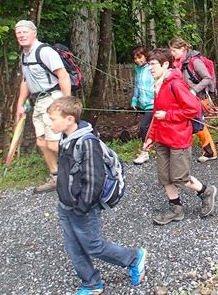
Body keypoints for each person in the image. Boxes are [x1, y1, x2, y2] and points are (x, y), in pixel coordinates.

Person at [49, 96, 146, 295]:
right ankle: (91, 284)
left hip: (83, 208)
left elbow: (95, 180)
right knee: (73, 246)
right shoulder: (64, 138)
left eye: (53, 119)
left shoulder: (87, 143)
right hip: (65, 206)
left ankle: (134, 258)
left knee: (93, 245)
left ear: (69, 119)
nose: (50, 123)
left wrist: (82, 207)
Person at [143, 48, 218, 225]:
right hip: (162, 138)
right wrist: (150, 137)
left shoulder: (175, 84)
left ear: (165, 64)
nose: (150, 68)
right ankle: (176, 210)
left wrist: (168, 115)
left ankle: (206, 191)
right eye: (149, 65)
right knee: (165, 177)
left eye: (153, 64)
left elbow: (194, 109)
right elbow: (156, 115)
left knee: (179, 177)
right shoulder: (158, 84)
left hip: (178, 138)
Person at [14, 19, 72, 194]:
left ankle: (77, 170)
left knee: (54, 144)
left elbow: (63, 75)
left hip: (53, 98)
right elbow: (25, 81)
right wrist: (20, 105)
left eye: (25, 32)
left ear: (34, 33)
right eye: (18, 33)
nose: (22, 35)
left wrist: (66, 101)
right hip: (38, 101)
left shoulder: (45, 51)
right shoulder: (24, 54)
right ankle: (56, 177)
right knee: (41, 142)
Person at [169, 37, 218, 162]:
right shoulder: (177, 64)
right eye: (171, 51)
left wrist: (194, 90)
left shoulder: (194, 62)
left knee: (198, 125)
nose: (172, 54)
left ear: (183, 49)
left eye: (174, 51)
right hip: (185, 99)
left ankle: (210, 152)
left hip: (198, 98)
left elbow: (207, 78)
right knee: (189, 125)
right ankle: (181, 151)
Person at [131, 46, 155, 165]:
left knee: (144, 127)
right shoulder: (137, 69)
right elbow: (136, 86)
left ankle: (145, 152)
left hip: (153, 102)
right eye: (135, 58)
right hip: (143, 103)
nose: (137, 60)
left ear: (145, 56)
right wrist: (134, 101)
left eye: (139, 57)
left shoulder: (151, 67)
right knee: (153, 127)